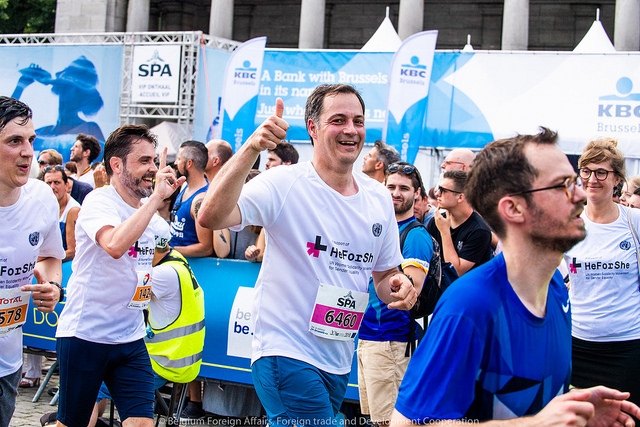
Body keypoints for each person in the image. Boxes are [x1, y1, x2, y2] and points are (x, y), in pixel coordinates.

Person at [197, 84, 417, 426]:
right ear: (312, 127)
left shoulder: (377, 198)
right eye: (338, 120)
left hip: (338, 357)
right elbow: (210, 216)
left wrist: (400, 285)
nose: (351, 130)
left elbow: (385, 277)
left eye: (358, 121)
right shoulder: (283, 183)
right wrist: (252, 148)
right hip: (285, 351)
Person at [391, 127, 640, 425]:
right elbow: (406, 422)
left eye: (575, 181)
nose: (579, 194)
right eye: (562, 185)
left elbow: (531, 403)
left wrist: (579, 412)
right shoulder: (470, 306)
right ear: (514, 208)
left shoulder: (557, 290)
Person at [54, 124, 184, 427]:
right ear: (116, 164)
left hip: (130, 338)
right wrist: (154, 201)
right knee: (73, 423)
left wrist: (161, 202)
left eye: (154, 161)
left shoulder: (145, 211)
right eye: (144, 161)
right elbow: (113, 245)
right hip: (86, 335)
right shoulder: (100, 201)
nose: (152, 168)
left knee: (141, 422)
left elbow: (157, 249)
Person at [0, 96, 65, 427]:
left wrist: (52, 286)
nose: (27, 152)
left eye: (31, 141)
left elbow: (53, 256)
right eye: (14, 141)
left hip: (7, 366)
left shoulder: (41, 199)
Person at [564, 138, 640, 408]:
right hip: (578, 345)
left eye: (601, 173)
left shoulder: (634, 223)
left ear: (617, 178)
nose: (592, 179)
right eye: (586, 171)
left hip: (627, 347)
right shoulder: (569, 224)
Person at [358, 161, 432, 425]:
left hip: (392, 340)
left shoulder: (415, 235)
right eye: (390, 186)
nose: (395, 193)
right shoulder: (380, 229)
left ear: (418, 195)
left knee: (391, 421)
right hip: (368, 336)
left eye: (404, 188)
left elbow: (411, 293)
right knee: (377, 420)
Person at [11, 56, 105, 160]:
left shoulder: (90, 129)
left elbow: (101, 162)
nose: (59, 74)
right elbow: (6, 127)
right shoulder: (42, 132)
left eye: (74, 89)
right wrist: (20, 86)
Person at [427, 170, 493, 277]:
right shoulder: (437, 221)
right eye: (438, 189)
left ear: (460, 197)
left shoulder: (479, 230)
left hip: (465, 291)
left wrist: (445, 233)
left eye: (443, 190)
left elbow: (454, 271)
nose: (437, 194)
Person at [169, 140, 213, 258]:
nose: (175, 162)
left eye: (179, 159)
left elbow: (206, 247)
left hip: (188, 266)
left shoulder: (201, 200)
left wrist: (170, 251)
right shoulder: (184, 186)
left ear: (189, 163)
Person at [42, 165, 81, 262]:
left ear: (66, 185)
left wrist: (39, 259)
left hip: (66, 265)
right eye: (48, 183)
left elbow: (72, 251)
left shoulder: (73, 210)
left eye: (57, 183)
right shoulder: (43, 205)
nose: (52, 187)